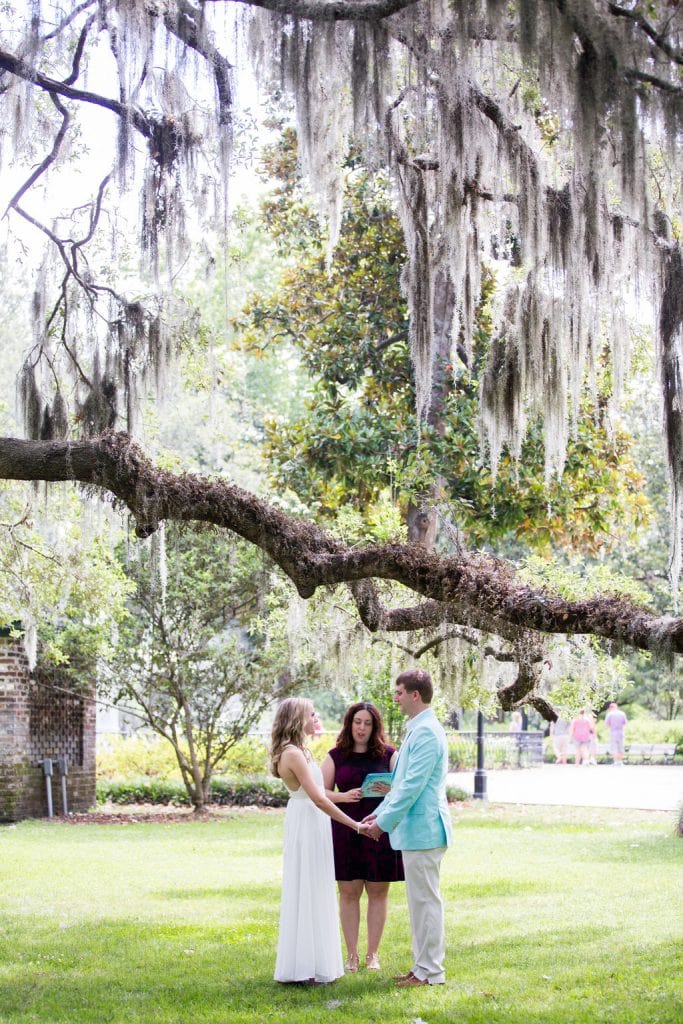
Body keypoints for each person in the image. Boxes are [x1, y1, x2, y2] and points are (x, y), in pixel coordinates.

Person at [270, 697, 373, 985]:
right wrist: (354, 825)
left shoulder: (302, 750)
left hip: (314, 822)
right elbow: (316, 797)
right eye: (311, 713)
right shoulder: (291, 753)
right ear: (296, 718)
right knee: (306, 887)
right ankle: (302, 967)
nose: (316, 717)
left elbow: (322, 794)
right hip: (306, 821)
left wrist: (345, 796)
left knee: (317, 887)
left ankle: (315, 963)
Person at [364, 668, 452, 987]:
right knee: (419, 905)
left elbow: (412, 787)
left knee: (426, 904)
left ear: (415, 695)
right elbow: (398, 786)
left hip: (425, 830)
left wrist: (383, 825)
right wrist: (377, 815)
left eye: (399, 692)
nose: (395, 698)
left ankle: (431, 972)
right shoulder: (418, 728)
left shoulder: (427, 732)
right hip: (416, 832)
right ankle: (421, 968)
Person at [321, 701, 404, 974]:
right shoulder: (335, 756)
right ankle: (352, 955)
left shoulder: (389, 754)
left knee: (378, 891)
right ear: (349, 723)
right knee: (348, 892)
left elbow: (403, 788)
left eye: (368, 723)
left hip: (380, 829)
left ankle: (373, 955)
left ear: (375, 726)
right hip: (347, 830)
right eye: (358, 722)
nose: (362, 728)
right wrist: (342, 796)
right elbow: (320, 793)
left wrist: (386, 790)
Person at [604, 701, 628, 766]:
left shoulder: (609, 714)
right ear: (616, 707)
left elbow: (606, 724)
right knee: (621, 747)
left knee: (614, 748)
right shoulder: (622, 714)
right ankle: (620, 762)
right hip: (621, 732)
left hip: (613, 732)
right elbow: (625, 723)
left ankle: (616, 762)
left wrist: (611, 726)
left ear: (610, 708)